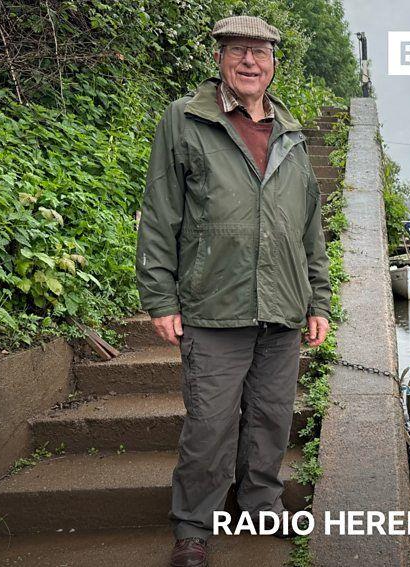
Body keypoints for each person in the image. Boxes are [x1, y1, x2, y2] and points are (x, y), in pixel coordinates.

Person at [134, 15, 331, 567]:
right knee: (210, 424)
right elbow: (160, 211)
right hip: (212, 305)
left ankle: (259, 504)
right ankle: (193, 526)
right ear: (219, 58)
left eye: (261, 53)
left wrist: (319, 299)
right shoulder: (186, 119)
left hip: (283, 308)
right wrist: (160, 296)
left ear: (274, 63)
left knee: (271, 418)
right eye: (238, 51)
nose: (250, 62)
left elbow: (309, 228)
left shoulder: (291, 133)